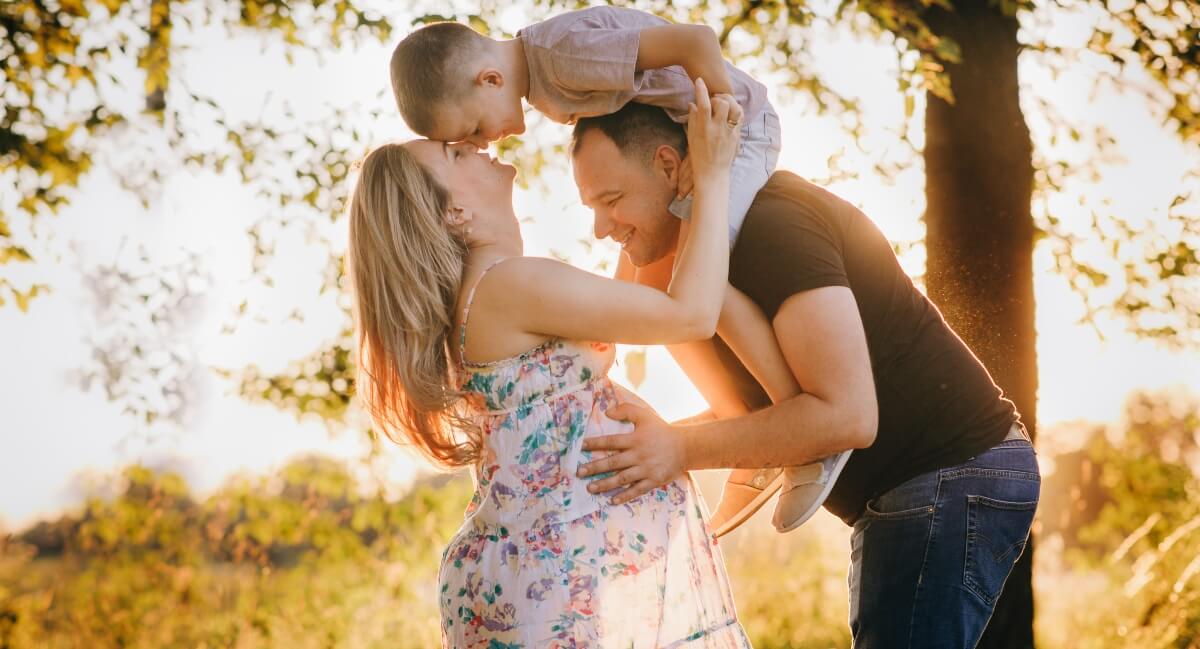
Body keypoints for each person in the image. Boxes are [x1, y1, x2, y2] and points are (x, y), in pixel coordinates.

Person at [570, 103, 1042, 648]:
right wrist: (647, 445)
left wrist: (678, 448)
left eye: (611, 201)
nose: (602, 229)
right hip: (924, 485)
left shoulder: (773, 225)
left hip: (948, 474)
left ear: (669, 166)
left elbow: (846, 416)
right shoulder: (698, 270)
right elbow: (755, 412)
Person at [388, 6, 850, 534]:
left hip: (735, 130)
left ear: (489, 79)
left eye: (474, 131)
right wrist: (619, 294)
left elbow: (696, 42)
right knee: (662, 271)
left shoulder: (562, 59)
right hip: (694, 136)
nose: (484, 144)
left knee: (703, 274)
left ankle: (798, 430)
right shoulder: (550, 83)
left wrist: (720, 118)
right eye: (467, 145)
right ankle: (747, 418)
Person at [348, 81, 753, 647]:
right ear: (457, 212)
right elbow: (688, 316)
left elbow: (618, 321)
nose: (474, 143)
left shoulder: (489, 295)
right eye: (456, 154)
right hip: (558, 586)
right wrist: (710, 174)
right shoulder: (510, 284)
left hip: (551, 579)